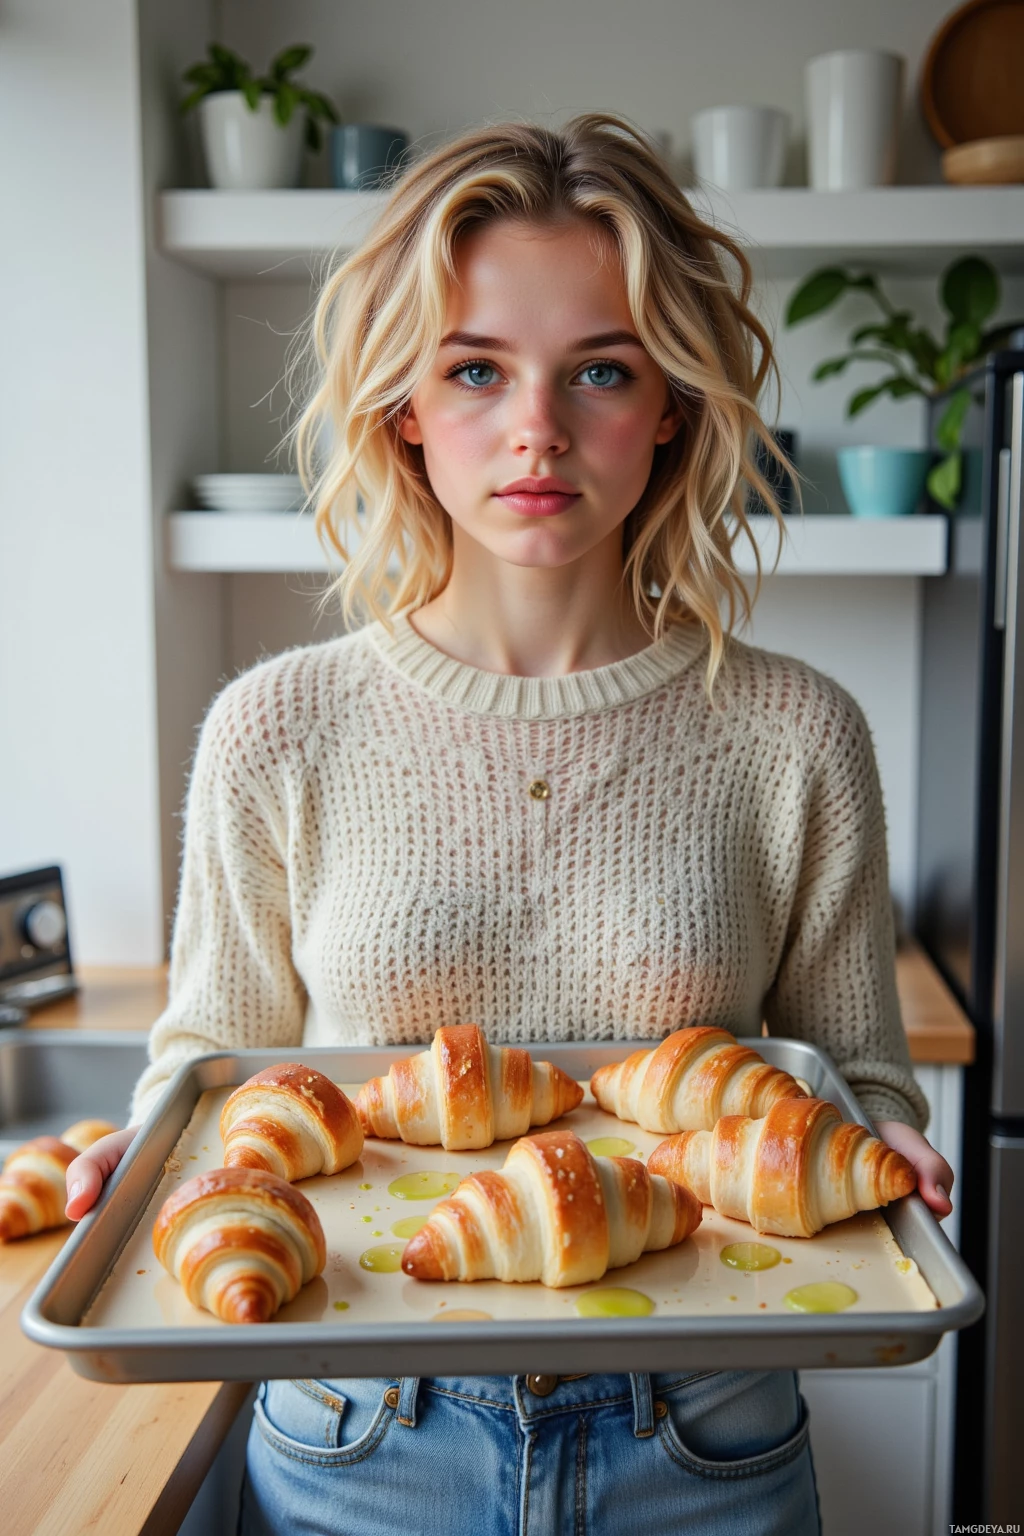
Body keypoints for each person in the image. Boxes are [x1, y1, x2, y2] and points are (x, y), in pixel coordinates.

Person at [66, 113, 954, 1536]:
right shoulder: (276, 728)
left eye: (598, 369)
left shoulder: (796, 734)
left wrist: (888, 1143)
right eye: (476, 370)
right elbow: (214, 1067)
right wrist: (151, 1143)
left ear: (671, 401)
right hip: (361, 1436)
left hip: (704, 1440)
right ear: (402, 405)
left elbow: (850, 1079)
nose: (536, 429)